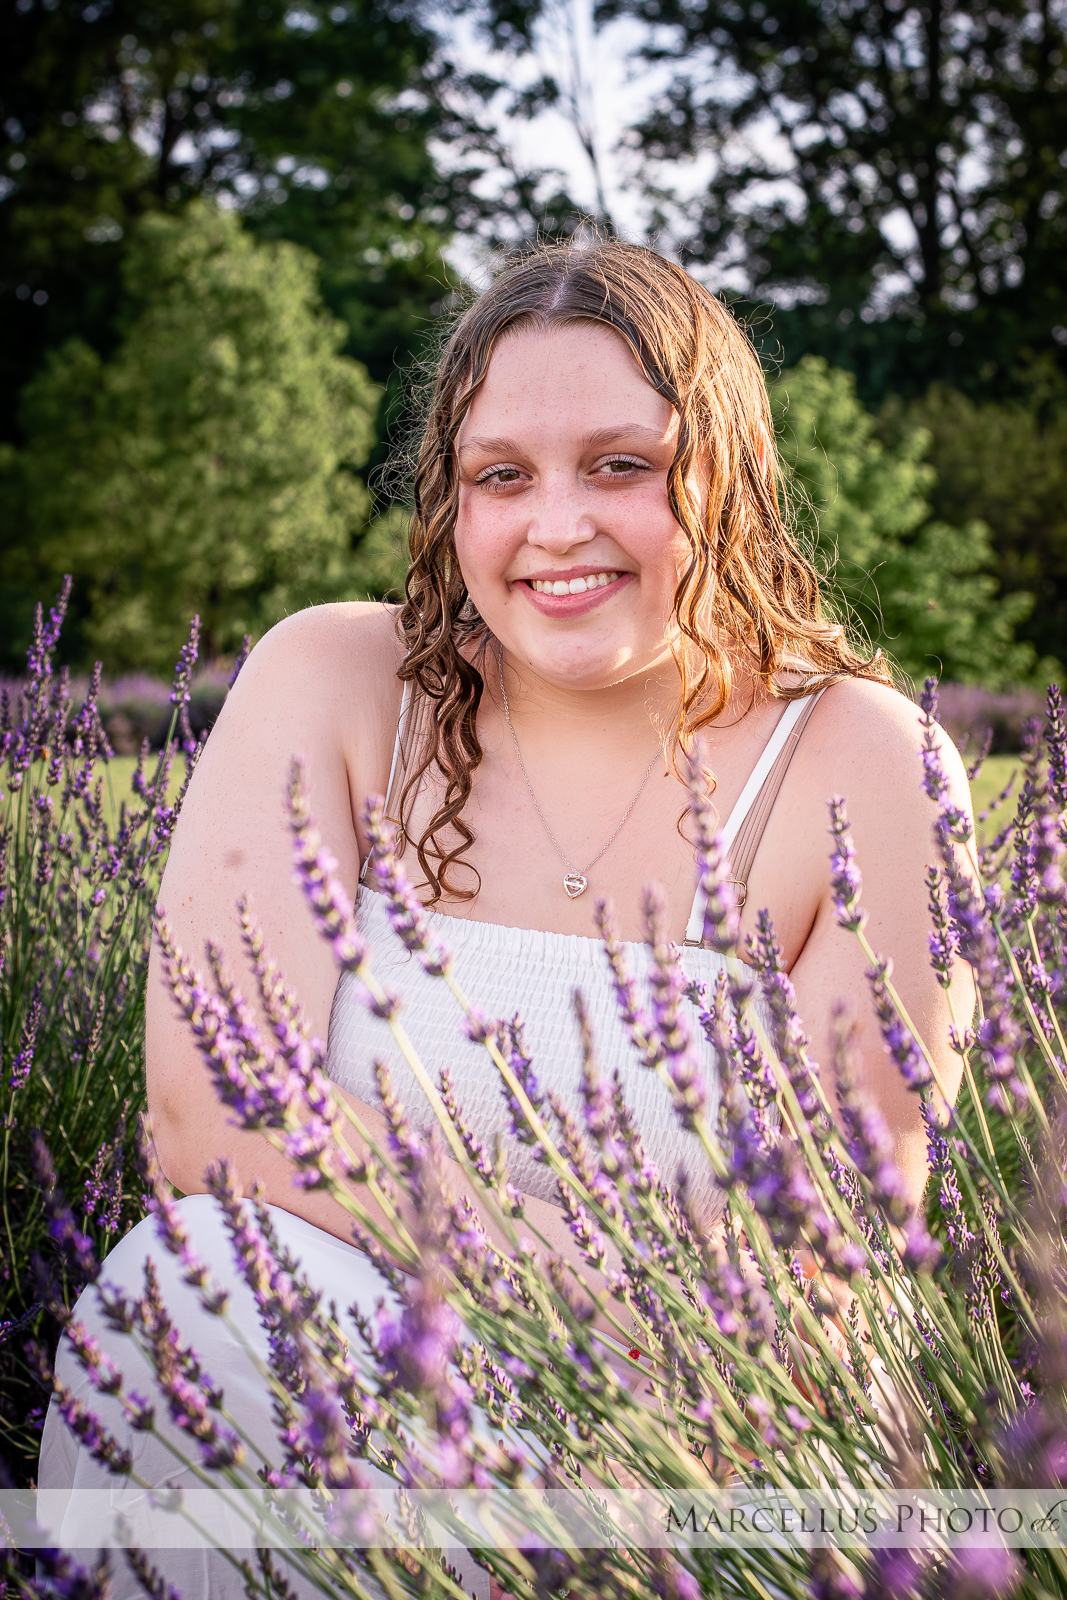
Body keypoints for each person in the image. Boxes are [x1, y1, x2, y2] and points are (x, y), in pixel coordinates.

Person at [38, 239, 974, 1597]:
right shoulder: (335, 683)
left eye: (621, 465)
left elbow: (826, 1256)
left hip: (702, 1426)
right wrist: (567, 1267)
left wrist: (526, 1306)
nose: (556, 525)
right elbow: (209, 1122)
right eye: (502, 477)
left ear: (728, 474)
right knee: (183, 1284)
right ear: (450, 503)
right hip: (341, 1356)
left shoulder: (867, 767)